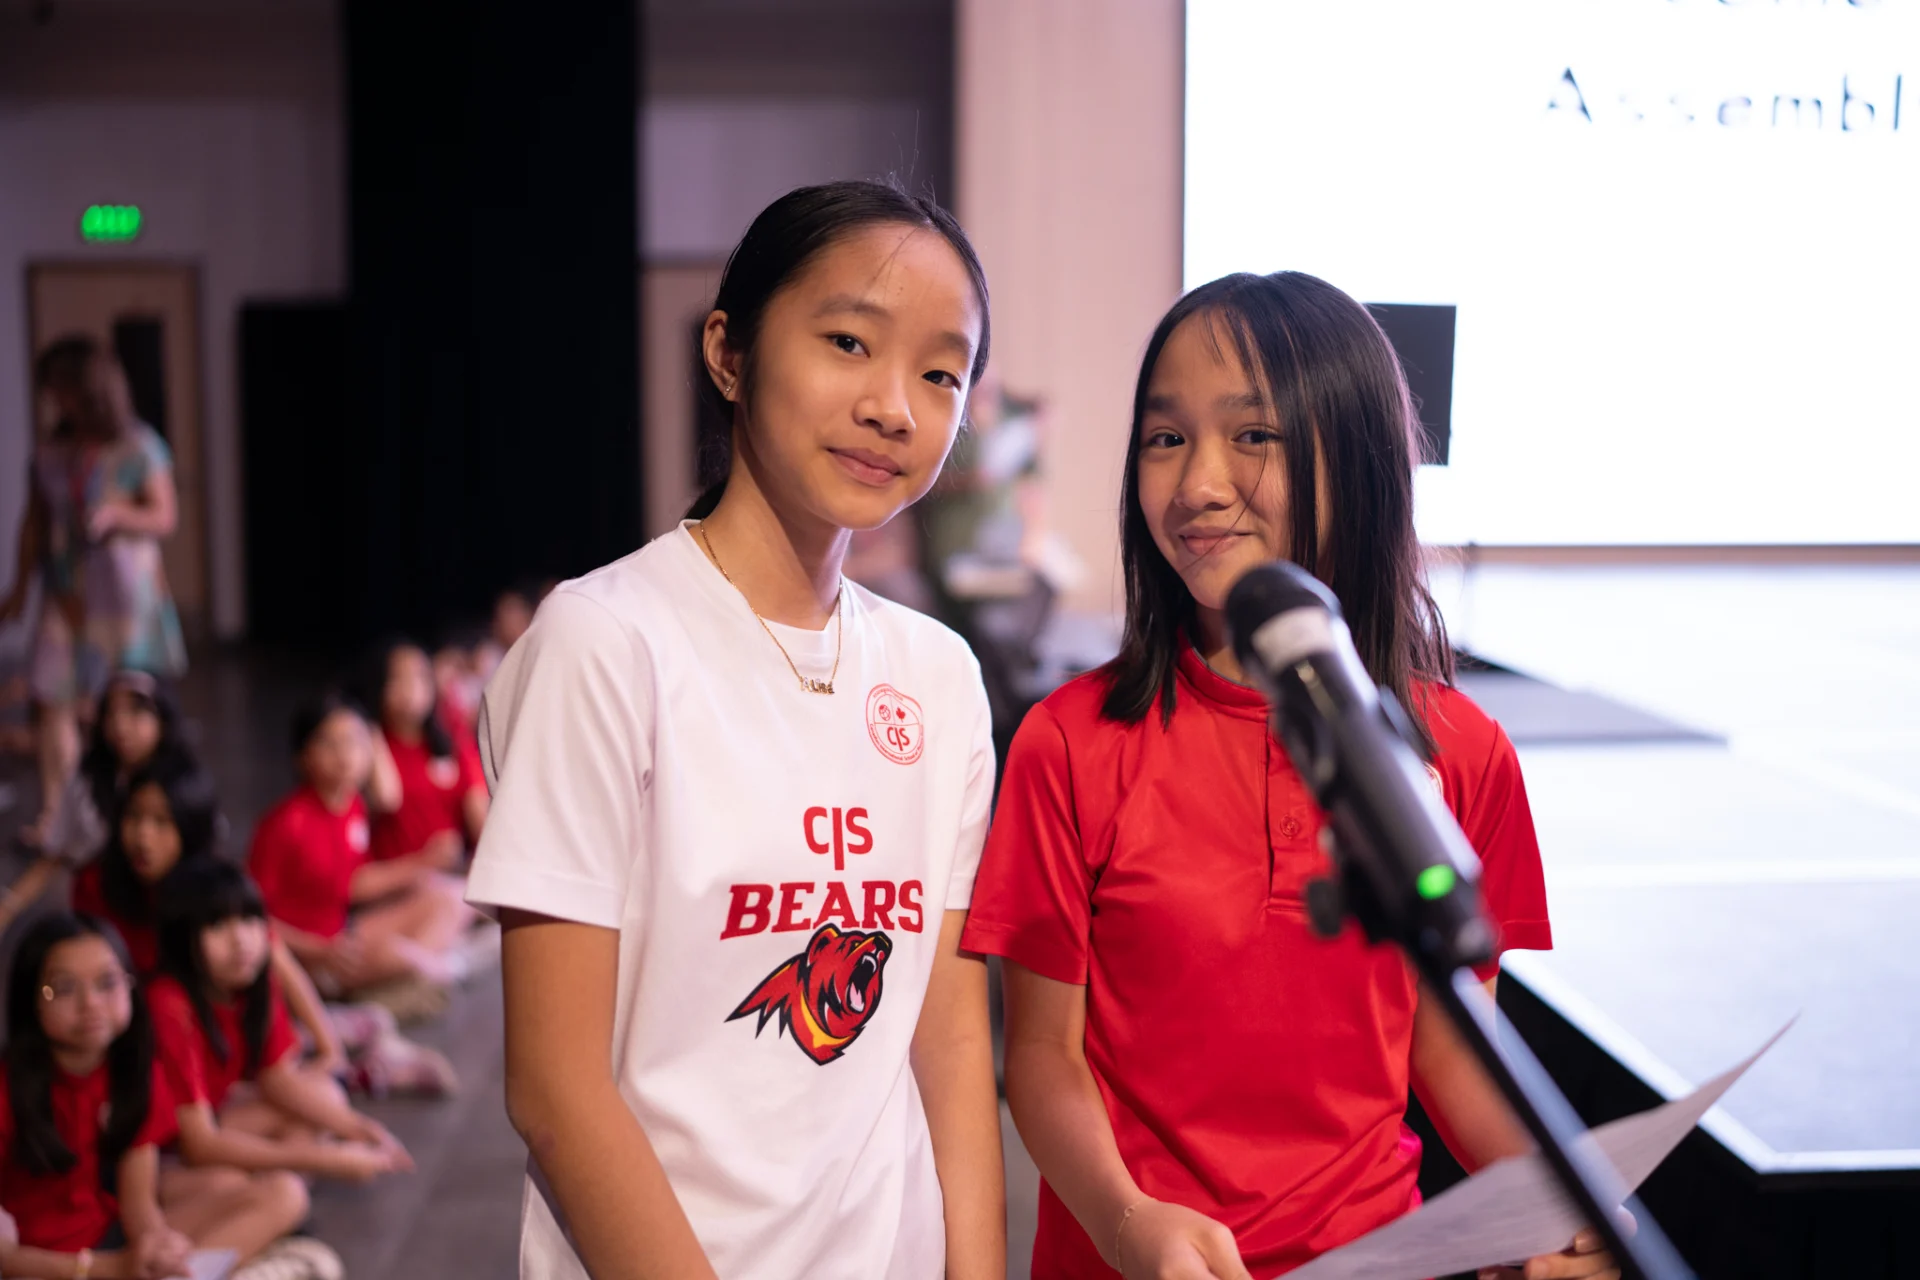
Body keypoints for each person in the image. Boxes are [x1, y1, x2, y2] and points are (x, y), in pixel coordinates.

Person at [962, 272, 1613, 1280]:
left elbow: (1450, 1042)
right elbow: (1042, 1055)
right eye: (1165, 437)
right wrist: (1130, 1223)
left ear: (1352, 458)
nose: (1197, 484)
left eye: (1252, 435)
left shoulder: (1464, 751)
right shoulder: (1071, 740)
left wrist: (1547, 1209)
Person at [468, 179, 1005, 1280]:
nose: (896, 404)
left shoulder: (940, 674)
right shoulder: (605, 640)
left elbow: (949, 1038)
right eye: (850, 341)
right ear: (729, 351)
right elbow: (556, 1089)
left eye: (940, 371)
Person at [0, 912, 325, 1280]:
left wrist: (156, 1246)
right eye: (63, 988)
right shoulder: (7, 1090)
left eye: (108, 982)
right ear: (31, 1000)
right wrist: (105, 1269)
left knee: (284, 1192)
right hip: (41, 1267)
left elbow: (138, 1205)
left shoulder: (135, 1070)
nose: (90, 1003)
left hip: (106, 1238)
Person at [0, 337, 187, 852]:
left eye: (64, 389)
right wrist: (18, 589)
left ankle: (139, 811)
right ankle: (56, 817)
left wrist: (119, 515)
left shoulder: (139, 446)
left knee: (127, 704)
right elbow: (33, 523)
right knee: (50, 699)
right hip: (66, 593)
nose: (57, 401)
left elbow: (164, 516)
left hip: (124, 598)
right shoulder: (51, 452)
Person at [67, 755, 343, 1073]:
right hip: (135, 1040)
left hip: (208, 1031)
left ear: (190, 827)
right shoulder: (95, 884)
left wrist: (328, 1049)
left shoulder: (210, 885)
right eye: (134, 817)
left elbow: (271, 951)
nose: (143, 836)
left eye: (161, 822)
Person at [148, 861, 414, 1185]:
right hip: (171, 1152)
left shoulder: (250, 982)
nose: (241, 940)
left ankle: (276, 1188)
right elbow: (198, 1143)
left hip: (220, 1119)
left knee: (324, 1098)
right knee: (263, 1181)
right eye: (217, 926)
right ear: (181, 938)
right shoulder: (170, 1005)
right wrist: (328, 1160)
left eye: (249, 920)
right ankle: (275, 1192)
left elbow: (277, 1080)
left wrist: (365, 1131)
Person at [251, 693, 484, 1005]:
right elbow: (253, 917)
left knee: (449, 899)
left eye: (355, 742)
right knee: (399, 952)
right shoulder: (285, 824)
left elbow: (352, 881)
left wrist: (421, 867)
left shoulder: (353, 807)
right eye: (329, 744)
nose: (345, 755)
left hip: (343, 933)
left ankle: (425, 968)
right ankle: (430, 968)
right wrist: (317, 952)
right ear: (303, 756)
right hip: (308, 956)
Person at [0, 670, 192, 938]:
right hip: (104, 916)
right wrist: (7, 909)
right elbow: (55, 854)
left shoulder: (185, 783)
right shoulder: (88, 783)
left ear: (163, 717)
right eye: (112, 714)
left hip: (167, 912)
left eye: (136, 712)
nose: (120, 725)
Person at [362, 641, 487, 866]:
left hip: (451, 876)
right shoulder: (370, 744)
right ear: (380, 685)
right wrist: (371, 732)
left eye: (420, 676)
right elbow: (386, 798)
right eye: (399, 678)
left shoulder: (453, 743)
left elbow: (479, 817)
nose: (411, 687)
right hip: (394, 880)